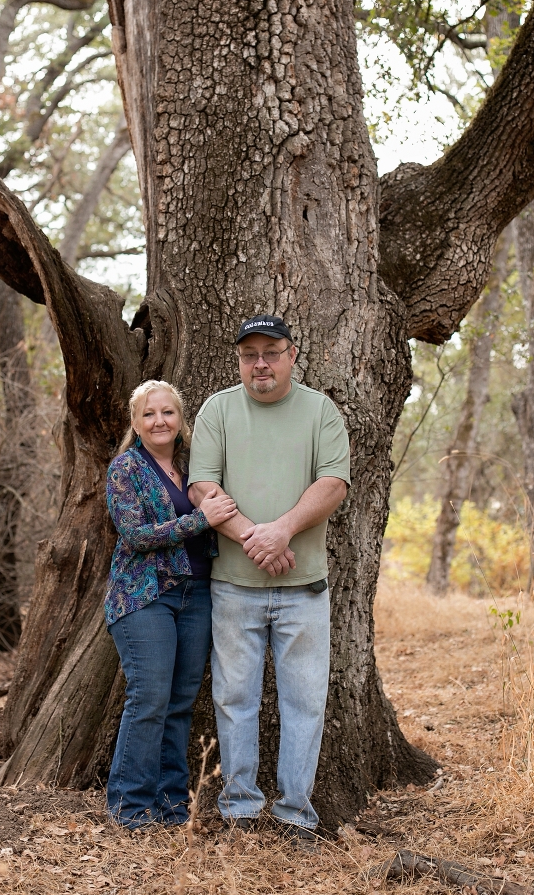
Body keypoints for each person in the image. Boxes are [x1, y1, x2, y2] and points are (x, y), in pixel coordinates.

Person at [188, 315, 350, 847]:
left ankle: (296, 814)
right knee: (234, 698)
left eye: (271, 352)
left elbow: (333, 483)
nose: (260, 363)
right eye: (249, 354)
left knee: (305, 703)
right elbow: (202, 487)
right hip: (234, 586)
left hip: (305, 589)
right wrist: (256, 539)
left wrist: (282, 531)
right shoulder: (218, 410)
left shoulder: (320, 412)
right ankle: (239, 808)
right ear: (240, 360)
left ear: (292, 354)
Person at [104, 379, 237, 829]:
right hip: (145, 595)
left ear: (181, 419)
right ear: (135, 422)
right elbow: (134, 535)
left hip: (197, 595)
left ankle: (172, 805)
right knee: (149, 698)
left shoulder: (196, 466)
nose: (159, 421)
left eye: (167, 412)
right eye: (148, 413)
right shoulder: (125, 469)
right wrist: (200, 520)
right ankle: (130, 807)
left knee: (180, 702)